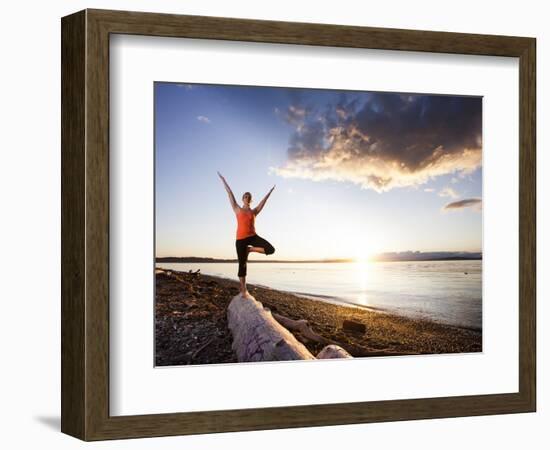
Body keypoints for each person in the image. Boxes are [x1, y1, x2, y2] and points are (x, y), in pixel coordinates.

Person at [217, 171, 276, 298]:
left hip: (253, 236)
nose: (247, 197)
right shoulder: (237, 209)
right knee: (242, 265)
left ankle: (250, 250)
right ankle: (243, 290)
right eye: (245, 196)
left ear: (250, 199)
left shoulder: (254, 211)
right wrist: (223, 180)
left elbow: (262, 203)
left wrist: (269, 193)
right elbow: (229, 193)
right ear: (242, 198)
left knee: (271, 249)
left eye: (249, 196)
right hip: (240, 239)